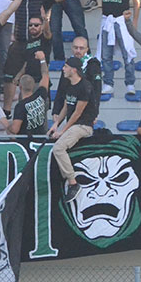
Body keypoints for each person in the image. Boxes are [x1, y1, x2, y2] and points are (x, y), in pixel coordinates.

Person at [0, 0, 71, 112]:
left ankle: (41, 107)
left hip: (39, 42)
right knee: (9, 75)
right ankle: (7, 110)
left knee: (37, 75)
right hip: (20, 41)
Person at [69, 0, 139, 96]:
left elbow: (136, 0)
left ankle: (130, 83)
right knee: (106, 54)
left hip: (121, 20)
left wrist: (134, 21)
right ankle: (108, 83)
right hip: (107, 20)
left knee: (128, 53)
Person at [48, 58, 98, 203]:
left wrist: (63, 131)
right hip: (74, 124)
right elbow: (66, 107)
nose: (63, 69)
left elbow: (77, 113)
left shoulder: (85, 87)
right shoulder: (70, 85)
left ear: (74, 70)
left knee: (58, 148)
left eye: (66, 66)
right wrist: (56, 124)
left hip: (83, 125)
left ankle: (73, 183)